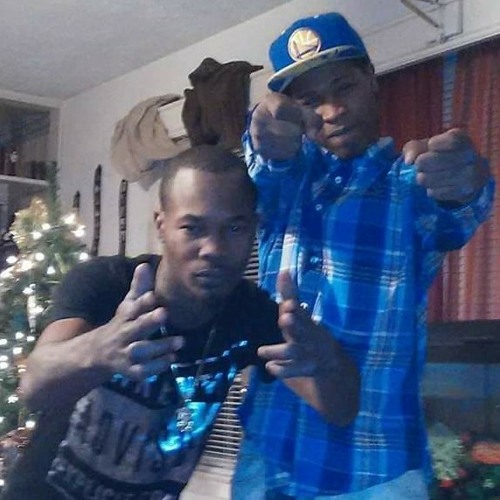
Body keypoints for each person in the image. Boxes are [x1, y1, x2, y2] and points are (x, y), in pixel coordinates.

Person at [232, 12, 495, 500]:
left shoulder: (408, 187)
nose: (332, 110)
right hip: (265, 464)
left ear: (372, 81)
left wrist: (465, 182)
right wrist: (260, 130)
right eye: (310, 101)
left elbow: (456, 213)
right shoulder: (282, 184)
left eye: (344, 87)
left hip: (372, 475)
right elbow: (262, 163)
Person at [0, 145, 356, 500]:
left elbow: (340, 410)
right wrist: (98, 349)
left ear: (254, 229)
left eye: (234, 228)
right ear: (162, 225)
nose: (213, 248)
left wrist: (328, 361)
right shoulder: (106, 284)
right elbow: (35, 386)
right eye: (192, 228)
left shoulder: (250, 314)